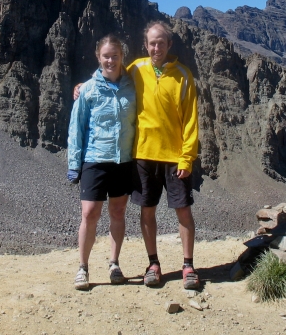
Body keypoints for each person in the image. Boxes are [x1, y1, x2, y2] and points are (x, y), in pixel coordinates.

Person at [127, 21, 200, 290]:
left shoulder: (183, 75)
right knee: (147, 211)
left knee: (183, 211)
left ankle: (188, 265)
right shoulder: (135, 69)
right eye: (152, 42)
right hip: (144, 155)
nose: (156, 47)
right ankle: (153, 264)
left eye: (161, 42)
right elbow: (108, 80)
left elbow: (191, 118)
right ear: (145, 45)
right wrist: (82, 86)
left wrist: (187, 157)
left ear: (169, 44)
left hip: (174, 157)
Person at [67, 34, 137, 291]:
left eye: (115, 56)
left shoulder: (133, 85)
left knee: (117, 212)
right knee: (89, 213)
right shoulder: (87, 89)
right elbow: (77, 128)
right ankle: (83, 267)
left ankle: (114, 263)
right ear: (99, 57)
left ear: (122, 57)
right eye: (106, 56)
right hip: (94, 159)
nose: (111, 60)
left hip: (123, 160)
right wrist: (74, 164)